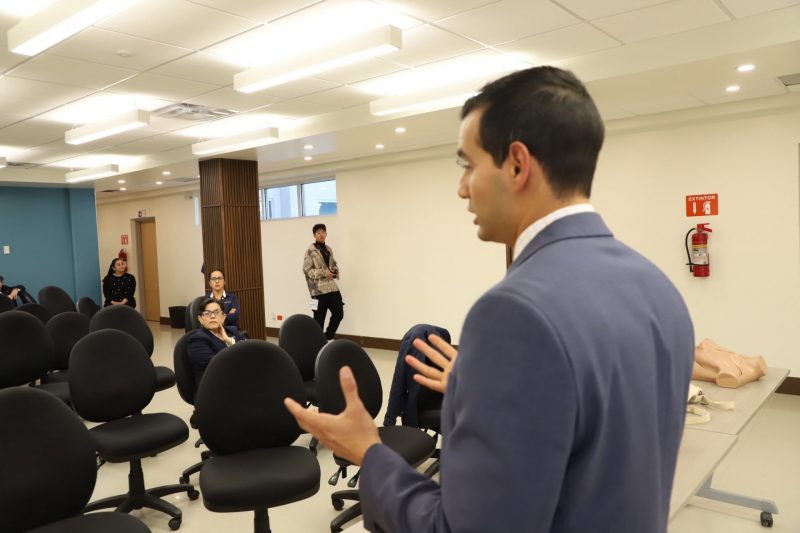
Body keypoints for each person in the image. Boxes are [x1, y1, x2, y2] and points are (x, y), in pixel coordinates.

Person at [285, 66, 695, 533]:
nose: (462, 187)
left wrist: (369, 452)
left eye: (468, 165)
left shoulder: (514, 313)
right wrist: (483, 389)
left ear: (517, 164)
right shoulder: (657, 287)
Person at [186, 297, 245, 390]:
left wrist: (230, 341)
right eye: (207, 313)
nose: (212, 316)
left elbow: (249, 352)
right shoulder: (197, 339)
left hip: (239, 382)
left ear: (223, 317)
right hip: (214, 389)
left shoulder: (232, 331)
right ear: (200, 319)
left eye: (216, 312)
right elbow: (216, 367)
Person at [302, 223, 343, 340]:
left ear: (326, 234)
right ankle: (317, 344)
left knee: (339, 313)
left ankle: (328, 337)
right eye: (318, 232)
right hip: (318, 291)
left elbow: (333, 264)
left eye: (323, 232)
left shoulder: (329, 249)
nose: (321, 234)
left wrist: (336, 271)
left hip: (331, 287)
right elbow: (306, 270)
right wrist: (325, 273)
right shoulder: (310, 251)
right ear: (314, 235)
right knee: (318, 320)